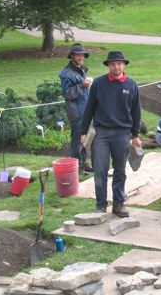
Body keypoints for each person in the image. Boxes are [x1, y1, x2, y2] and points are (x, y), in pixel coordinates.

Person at [80, 51, 141, 217]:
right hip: (102, 134)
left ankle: (118, 205)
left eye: (119, 63)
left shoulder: (131, 85)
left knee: (120, 171)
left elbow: (136, 112)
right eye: (113, 63)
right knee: (100, 170)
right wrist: (83, 131)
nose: (116, 66)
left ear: (124, 65)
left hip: (122, 134)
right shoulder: (99, 84)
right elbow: (89, 109)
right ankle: (100, 205)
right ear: (109, 65)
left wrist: (135, 135)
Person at [59, 43, 93, 175]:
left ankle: (84, 164)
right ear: (72, 56)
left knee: (84, 140)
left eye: (82, 55)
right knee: (77, 140)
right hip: (76, 112)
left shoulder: (80, 70)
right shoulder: (67, 74)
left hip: (85, 110)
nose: (80, 57)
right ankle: (76, 167)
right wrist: (83, 85)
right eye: (77, 55)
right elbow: (67, 94)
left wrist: (88, 85)